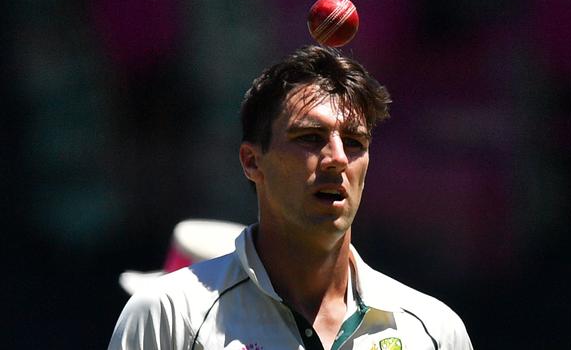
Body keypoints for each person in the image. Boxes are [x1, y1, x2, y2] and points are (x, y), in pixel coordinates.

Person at [108, 45, 473, 350]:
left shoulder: (435, 331)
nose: (337, 159)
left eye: (355, 143)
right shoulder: (167, 316)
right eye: (310, 138)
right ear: (252, 162)